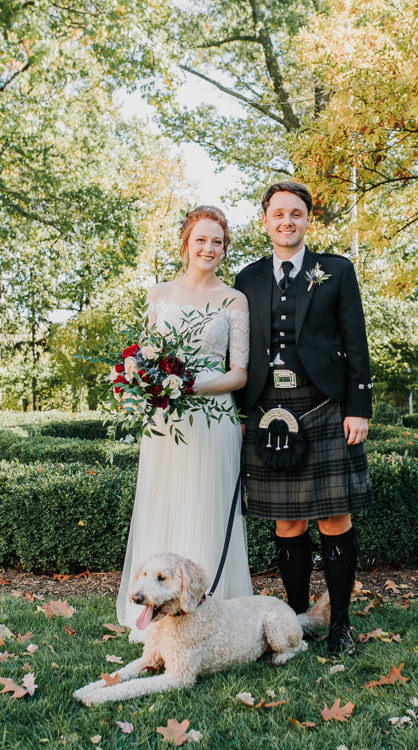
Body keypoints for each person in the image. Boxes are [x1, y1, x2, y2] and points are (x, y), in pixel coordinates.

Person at [234, 182, 373, 656]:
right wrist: (238, 412)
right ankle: (294, 622)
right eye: (278, 214)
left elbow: (356, 341)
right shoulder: (247, 278)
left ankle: (340, 624)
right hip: (268, 410)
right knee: (287, 523)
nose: (286, 221)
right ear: (265, 220)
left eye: (296, 213)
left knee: (335, 517)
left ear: (309, 219)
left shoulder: (335, 270)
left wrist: (359, 407)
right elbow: (242, 349)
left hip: (327, 406)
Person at [117, 205, 253, 642]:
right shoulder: (159, 294)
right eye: (201, 240)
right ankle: (154, 606)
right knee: (166, 502)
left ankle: (213, 608)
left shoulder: (234, 300)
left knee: (208, 506)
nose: (209, 248)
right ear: (186, 244)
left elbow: (239, 373)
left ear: (224, 247)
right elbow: (149, 356)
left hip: (214, 419)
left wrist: (189, 384)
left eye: (217, 242)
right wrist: (142, 381)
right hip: (165, 422)